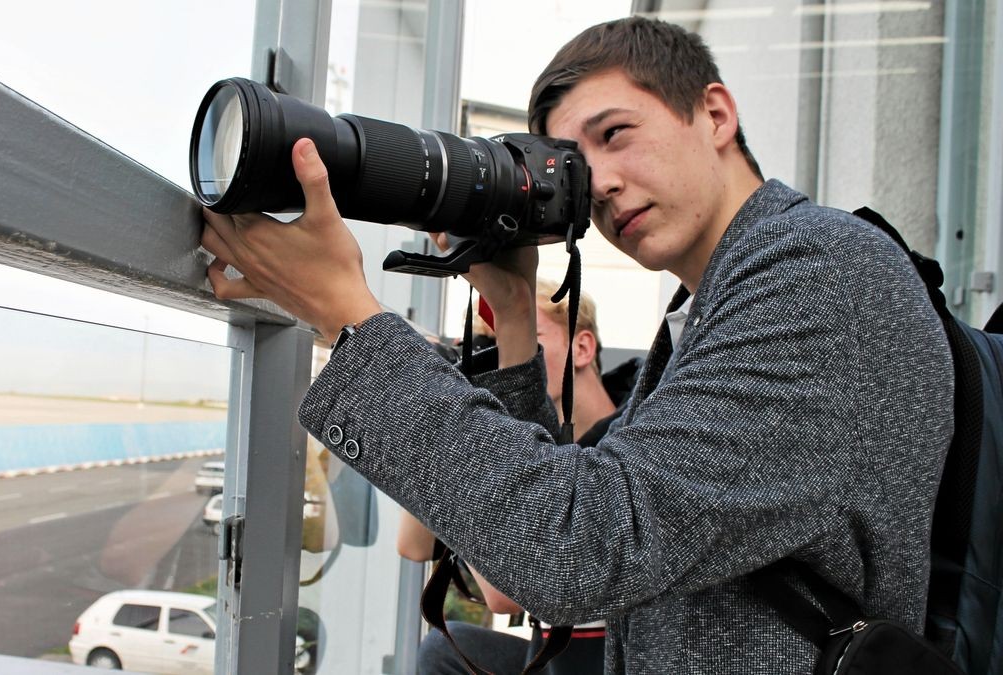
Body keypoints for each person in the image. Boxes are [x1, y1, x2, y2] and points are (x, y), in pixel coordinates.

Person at [199, 16, 954, 674]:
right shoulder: (707, 306)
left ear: (715, 113)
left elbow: (578, 545)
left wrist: (348, 316)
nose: (603, 185)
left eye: (616, 134)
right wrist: (516, 314)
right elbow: (543, 525)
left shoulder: (813, 272)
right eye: (582, 168)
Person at [399, 278, 614, 674]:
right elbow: (413, 545)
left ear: (582, 348)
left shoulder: (626, 441)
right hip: (554, 658)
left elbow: (505, 597)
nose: (508, 358)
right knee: (444, 649)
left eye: (525, 336)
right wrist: (443, 407)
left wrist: (455, 428)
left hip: (608, 662)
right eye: (493, 344)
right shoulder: (532, 440)